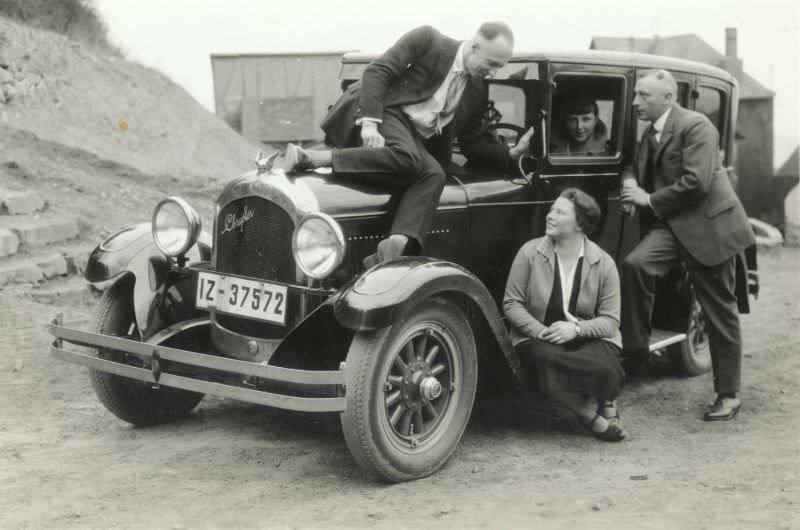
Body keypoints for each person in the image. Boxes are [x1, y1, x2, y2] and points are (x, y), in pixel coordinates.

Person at [283, 23, 534, 266]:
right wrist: (370, 123)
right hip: (383, 110)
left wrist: (511, 153)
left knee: (435, 174)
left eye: (499, 67)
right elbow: (376, 71)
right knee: (409, 158)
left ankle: (393, 248)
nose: (492, 73)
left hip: (408, 137)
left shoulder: (477, 89)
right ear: (475, 46)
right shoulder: (430, 41)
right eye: (491, 64)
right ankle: (313, 159)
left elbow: (471, 143)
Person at [619, 69, 755, 421]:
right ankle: (636, 351)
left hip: (711, 229)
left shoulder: (697, 126)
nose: (635, 102)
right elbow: (632, 166)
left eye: (643, 96)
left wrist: (647, 199)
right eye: (636, 95)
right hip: (674, 227)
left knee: (718, 312)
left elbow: (696, 183)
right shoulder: (649, 132)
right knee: (635, 265)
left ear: (668, 97)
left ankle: (728, 394)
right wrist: (630, 184)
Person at [503, 187, 626, 442]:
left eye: (560, 212)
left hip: (583, 335)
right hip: (539, 336)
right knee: (544, 361)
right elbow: (511, 303)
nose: (550, 215)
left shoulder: (603, 263)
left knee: (606, 362)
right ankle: (589, 416)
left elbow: (611, 320)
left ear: (579, 224)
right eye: (551, 210)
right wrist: (541, 332)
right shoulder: (530, 252)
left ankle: (605, 399)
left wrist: (577, 330)